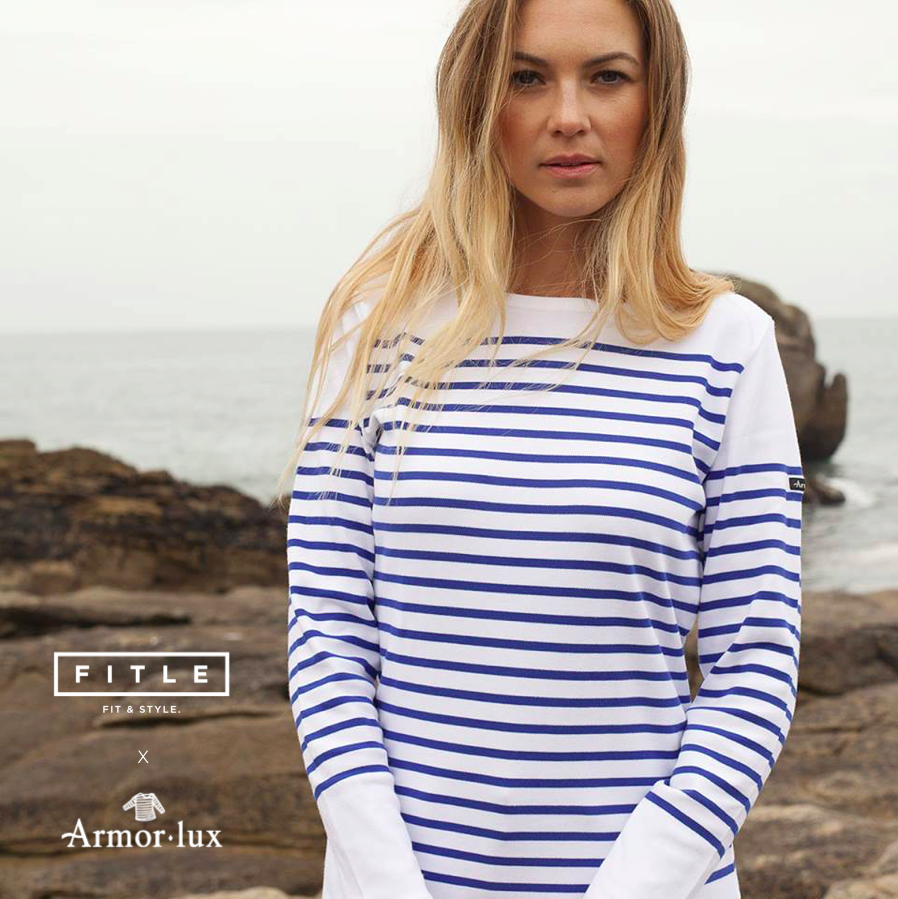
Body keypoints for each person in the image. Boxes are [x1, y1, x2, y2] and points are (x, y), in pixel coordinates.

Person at [276, 0, 803, 897]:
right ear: (478, 100)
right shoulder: (376, 327)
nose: (568, 115)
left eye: (607, 77)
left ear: (657, 101)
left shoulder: (728, 344)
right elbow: (327, 635)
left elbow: (753, 664)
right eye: (526, 78)